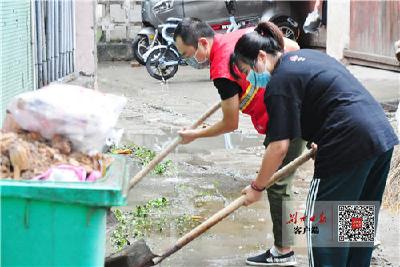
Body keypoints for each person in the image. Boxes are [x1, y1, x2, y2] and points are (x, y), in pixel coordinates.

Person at [229, 21, 398, 266]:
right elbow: (332, 99)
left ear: (261, 56)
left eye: (247, 70)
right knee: (355, 225)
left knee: (325, 232)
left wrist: (257, 187)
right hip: (379, 138)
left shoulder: (279, 83)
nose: (249, 78)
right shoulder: (306, 57)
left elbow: (278, 147)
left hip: (347, 144)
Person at [174, 18, 302, 266]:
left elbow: (230, 124)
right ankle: (361, 238)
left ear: (202, 43)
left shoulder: (222, 71)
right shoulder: (243, 36)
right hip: (342, 117)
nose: (190, 60)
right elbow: (293, 47)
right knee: (338, 178)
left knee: (276, 181)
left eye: (188, 54)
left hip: (297, 114)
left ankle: (284, 252)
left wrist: (195, 135)